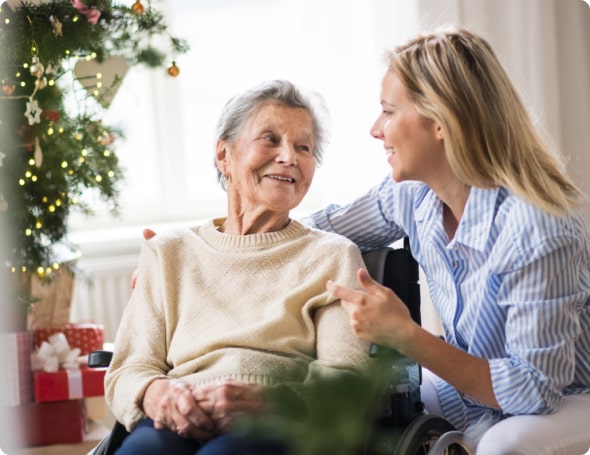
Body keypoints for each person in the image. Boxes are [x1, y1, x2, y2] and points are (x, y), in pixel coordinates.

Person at [321, 28, 590, 454]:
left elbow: (534, 389)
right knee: (359, 414)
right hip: (476, 389)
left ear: (441, 123)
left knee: (504, 445)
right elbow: (323, 230)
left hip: (567, 399)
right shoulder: (413, 194)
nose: (376, 129)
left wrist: (405, 335)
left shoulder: (538, 227)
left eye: (389, 112)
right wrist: (233, 227)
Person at [105, 80, 371, 455]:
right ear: (224, 155)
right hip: (177, 418)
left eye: (303, 147)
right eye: (270, 139)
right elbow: (129, 369)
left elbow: (347, 382)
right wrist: (157, 394)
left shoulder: (334, 257)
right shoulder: (168, 252)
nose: (289, 157)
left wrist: (273, 403)